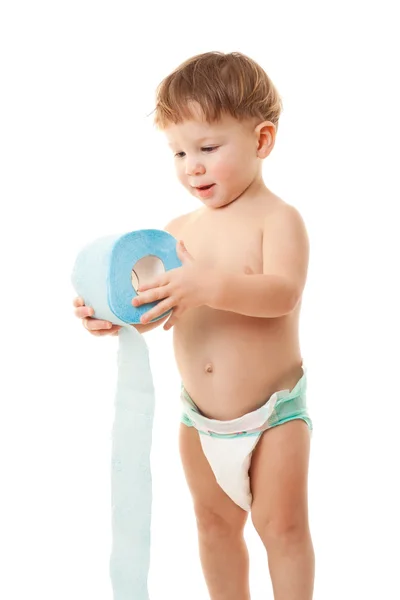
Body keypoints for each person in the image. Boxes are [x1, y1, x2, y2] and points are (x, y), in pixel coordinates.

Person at [73, 51, 315, 600]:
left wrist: (208, 283)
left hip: (272, 417)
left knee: (283, 529)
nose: (192, 166)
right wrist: (109, 314)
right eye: (179, 151)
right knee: (213, 528)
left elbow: (283, 294)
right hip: (199, 421)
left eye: (208, 148)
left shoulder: (278, 219)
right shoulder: (177, 231)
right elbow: (152, 303)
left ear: (262, 140)